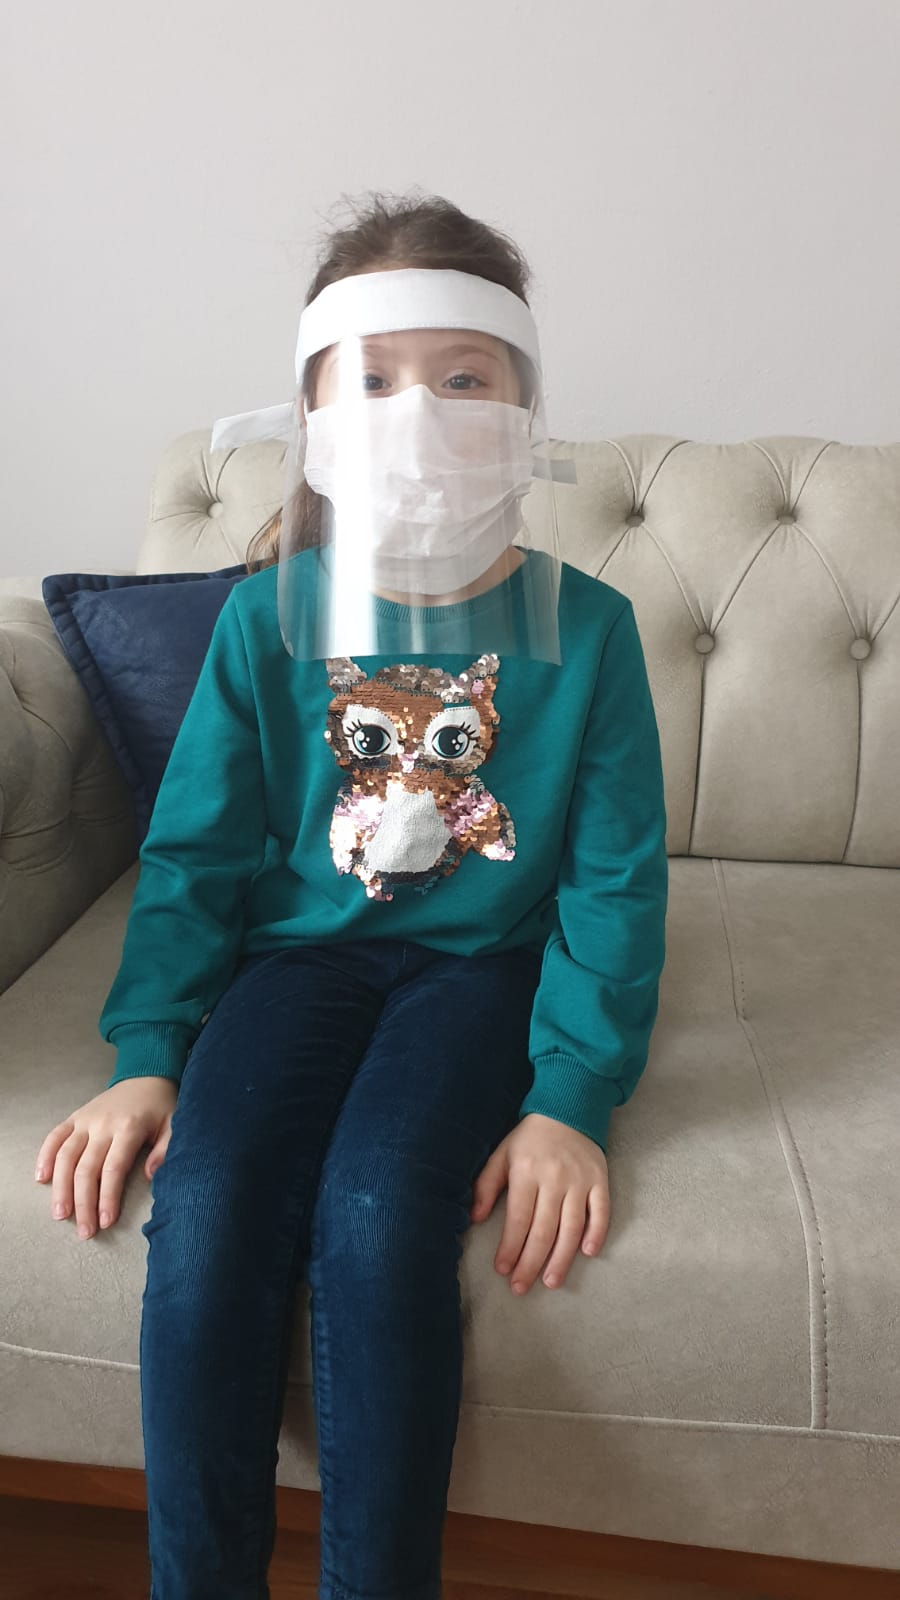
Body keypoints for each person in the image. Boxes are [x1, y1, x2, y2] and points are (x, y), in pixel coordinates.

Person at [33, 192, 668, 1600]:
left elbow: (616, 880)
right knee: (210, 1204)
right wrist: (149, 1057)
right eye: (374, 380)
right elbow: (196, 854)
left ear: (525, 407)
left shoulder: (590, 629)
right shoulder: (267, 616)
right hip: (299, 965)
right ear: (312, 413)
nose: (419, 415)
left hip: (481, 969)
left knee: (380, 1213)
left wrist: (572, 1097)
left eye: (464, 378)